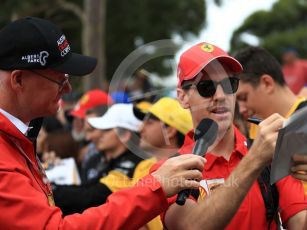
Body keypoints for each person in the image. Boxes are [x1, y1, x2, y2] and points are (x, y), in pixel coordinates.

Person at [0, 17, 206, 229]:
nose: (69, 89)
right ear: (18, 80)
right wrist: (155, 188)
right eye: (60, 80)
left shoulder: (19, 137)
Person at [158, 42, 307, 229]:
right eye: (206, 87)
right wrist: (255, 159)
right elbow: (191, 226)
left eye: (230, 84)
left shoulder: (271, 156)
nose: (221, 95)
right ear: (182, 97)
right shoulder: (167, 170)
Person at [133, 97, 194, 229]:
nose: (140, 128)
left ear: (170, 131)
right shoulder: (142, 167)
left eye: (149, 122)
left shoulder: (194, 171)